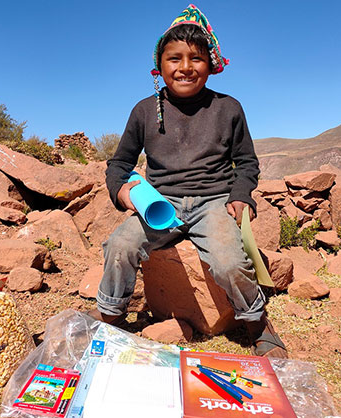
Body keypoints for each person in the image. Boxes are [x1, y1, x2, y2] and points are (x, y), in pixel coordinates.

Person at [88, 4, 287, 358]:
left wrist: (240, 195)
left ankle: (258, 324)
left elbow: (246, 162)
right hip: (161, 205)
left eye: (195, 58)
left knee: (228, 261)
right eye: (174, 58)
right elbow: (120, 162)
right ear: (159, 65)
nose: (184, 67)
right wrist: (122, 191)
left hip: (213, 202)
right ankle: (111, 320)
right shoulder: (145, 110)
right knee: (121, 245)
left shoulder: (228, 109)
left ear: (210, 64)